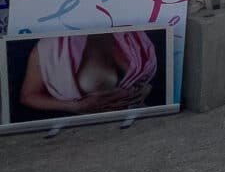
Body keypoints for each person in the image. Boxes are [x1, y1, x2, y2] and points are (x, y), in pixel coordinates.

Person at [19, 32, 156, 115]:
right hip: (89, 135)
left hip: (144, 123)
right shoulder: (50, 47)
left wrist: (146, 88)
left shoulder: (132, 33)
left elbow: (141, 78)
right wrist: (74, 106)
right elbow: (28, 96)